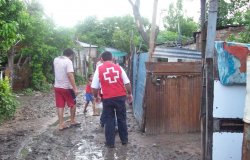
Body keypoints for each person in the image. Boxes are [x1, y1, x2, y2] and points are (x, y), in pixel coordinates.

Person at [91, 51, 133, 148]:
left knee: (109, 119)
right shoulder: (119, 67)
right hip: (120, 97)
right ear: (112, 58)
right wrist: (129, 93)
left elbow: (94, 86)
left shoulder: (99, 69)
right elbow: (127, 83)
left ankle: (110, 143)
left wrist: (96, 96)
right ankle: (124, 140)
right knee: (122, 118)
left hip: (107, 98)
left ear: (101, 59)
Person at [53, 48, 80, 131]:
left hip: (57, 86)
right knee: (73, 104)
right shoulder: (68, 61)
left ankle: (61, 124)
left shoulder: (56, 59)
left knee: (60, 105)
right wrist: (75, 88)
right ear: (71, 55)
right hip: (67, 87)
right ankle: (72, 121)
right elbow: (70, 75)